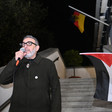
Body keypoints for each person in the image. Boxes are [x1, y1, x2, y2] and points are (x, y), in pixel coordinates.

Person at [0, 35, 61, 112]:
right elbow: (2, 80)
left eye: (29, 43)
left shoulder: (48, 64)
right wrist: (14, 60)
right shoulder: (17, 63)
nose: (25, 46)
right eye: (23, 44)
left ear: (37, 48)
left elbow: (56, 90)